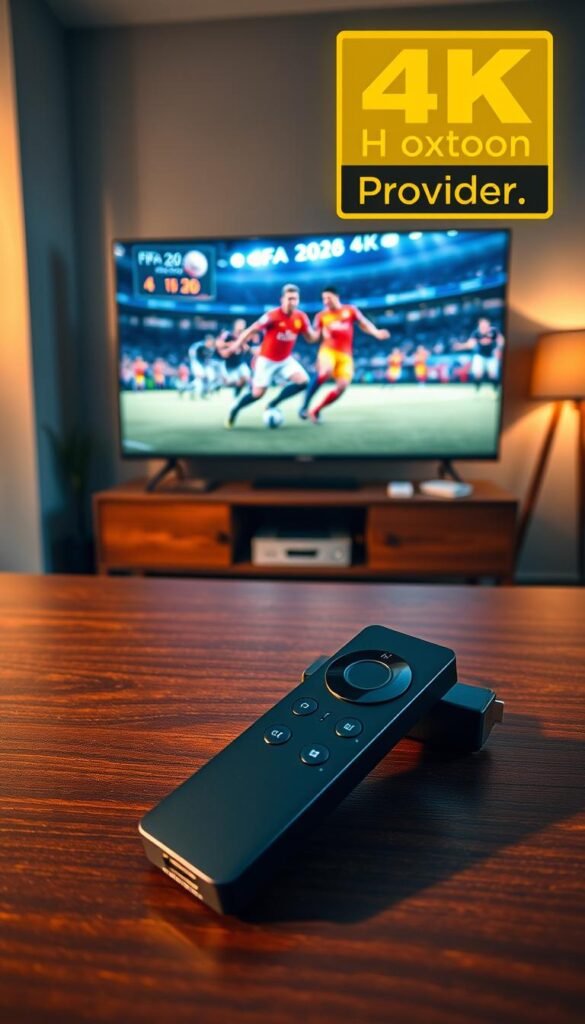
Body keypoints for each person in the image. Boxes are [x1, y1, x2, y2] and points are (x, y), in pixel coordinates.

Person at [225, 283, 318, 427]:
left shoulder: (301, 317)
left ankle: (272, 404)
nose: (292, 302)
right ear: (282, 299)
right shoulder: (272, 316)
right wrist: (236, 345)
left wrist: (322, 331)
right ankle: (235, 410)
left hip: (285, 359)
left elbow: (311, 338)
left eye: (295, 299)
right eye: (289, 299)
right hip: (266, 360)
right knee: (257, 394)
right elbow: (251, 330)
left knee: (303, 382)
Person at [299, 286, 389, 423]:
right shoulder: (321, 316)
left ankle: (316, 410)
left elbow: (363, 323)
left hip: (345, 355)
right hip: (328, 350)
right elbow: (314, 337)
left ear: (336, 297)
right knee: (325, 372)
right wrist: (307, 333)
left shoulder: (350, 310)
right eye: (323, 299)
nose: (326, 301)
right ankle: (305, 405)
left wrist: (376, 332)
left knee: (342, 387)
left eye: (328, 298)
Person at [453, 316, 504, 389]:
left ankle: (495, 389)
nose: (483, 326)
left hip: (491, 356)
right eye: (481, 324)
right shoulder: (476, 333)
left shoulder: (494, 331)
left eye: (485, 324)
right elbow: (470, 344)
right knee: (478, 374)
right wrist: (460, 346)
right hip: (480, 355)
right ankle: (477, 388)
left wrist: (498, 348)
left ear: (488, 324)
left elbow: (501, 340)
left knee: (493, 375)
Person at [215, 317, 253, 397]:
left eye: (243, 325)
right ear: (235, 325)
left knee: (246, 376)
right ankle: (219, 385)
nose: (242, 326)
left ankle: (238, 394)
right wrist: (230, 345)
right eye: (240, 324)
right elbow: (218, 344)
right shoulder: (227, 334)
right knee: (230, 382)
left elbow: (245, 348)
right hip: (227, 362)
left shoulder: (244, 335)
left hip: (239, 362)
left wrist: (245, 347)